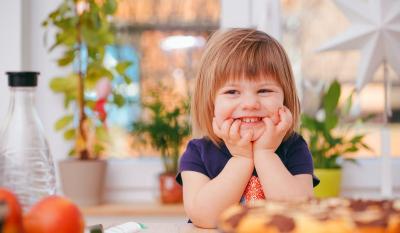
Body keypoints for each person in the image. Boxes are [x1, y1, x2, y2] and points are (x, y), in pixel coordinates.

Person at [176, 28, 319, 229]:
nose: (250, 103)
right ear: (211, 104)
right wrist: (241, 159)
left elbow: (299, 214)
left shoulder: (294, 147)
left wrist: (265, 154)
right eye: (232, 91)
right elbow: (204, 217)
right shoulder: (198, 152)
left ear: (285, 99)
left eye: (264, 90)